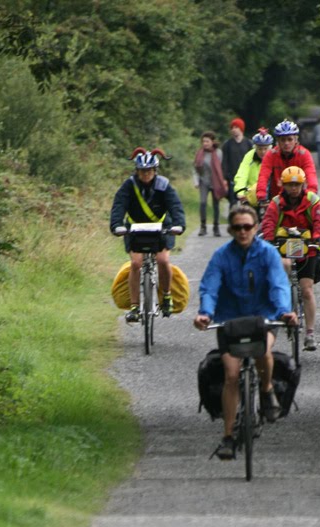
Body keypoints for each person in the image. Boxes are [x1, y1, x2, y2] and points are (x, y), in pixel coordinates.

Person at [194, 204, 297, 459]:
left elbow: (278, 284)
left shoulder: (268, 254)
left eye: (247, 227)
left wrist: (284, 310)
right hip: (229, 320)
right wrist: (205, 313)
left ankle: (266, 389)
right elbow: (210, 287)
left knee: (263, 349)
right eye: (238, 227)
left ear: (256, 227)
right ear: (231, 229)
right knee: (231, 375)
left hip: (264, 316)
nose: (243, 232)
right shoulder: (221, 256)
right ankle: (227, 437)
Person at [110, 147, 186, 323]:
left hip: (161, 228)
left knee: (163, 260)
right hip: (136, 228)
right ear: (137, 171)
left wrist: (179, 225)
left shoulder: (164, 185)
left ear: (155, 170)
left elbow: (175, 206)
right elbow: (119, 206)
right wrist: (116, 225)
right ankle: (135, 307)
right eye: (142, 171)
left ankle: (166, 296)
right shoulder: (129, 186)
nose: (146, 174)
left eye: (149, 171)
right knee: (136, 263)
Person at [260, 165, 320, 352]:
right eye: (290, 184)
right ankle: (284, 303)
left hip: (308, 249)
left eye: (297, 184)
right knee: (284, 266)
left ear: (303, 184)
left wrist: (317, 237)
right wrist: (268, 238)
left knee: (307, 290)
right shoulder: (276, 202)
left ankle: (310, 333)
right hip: (283, 247)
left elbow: (319, 221)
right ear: (283, 184)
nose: (293, 188)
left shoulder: (312, 200)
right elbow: (268, 222)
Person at [256, 119, 318, 201]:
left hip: (299, 199)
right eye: (283, 140)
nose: (286, 143)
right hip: (277, 199)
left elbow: (311, 174)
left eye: (290, 139)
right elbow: (263, 175)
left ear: (296, 140)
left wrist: (311, 192)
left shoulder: (304, 154)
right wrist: (261, 195)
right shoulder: (271, 155)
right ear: (278, 141)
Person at [193, 131, 226, 236]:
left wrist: (223, 181)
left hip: (215, 182)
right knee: (203, 203)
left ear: (212, 142)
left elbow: (221, 168)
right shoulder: (200, 153)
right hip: (204, 181)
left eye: (207, 141)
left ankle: (216, 227)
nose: (205, 144)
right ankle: (203, 227)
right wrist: (196, 181)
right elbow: (195, 168)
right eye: (203, 141)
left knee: (215, 205)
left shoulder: (218, 153)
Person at [232, 128, 273, 206]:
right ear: (255, 147)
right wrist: (240, 191)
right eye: (259, 149)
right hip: (251, 194)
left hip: (269, 195)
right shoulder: (249, 156)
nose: (263, 152)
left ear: (270, 148)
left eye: (265, 148)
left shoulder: (274, 156)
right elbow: (242, 174)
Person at [221, 117, 253, 206]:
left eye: (236, 127)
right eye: (232, 128)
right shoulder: (227, 144)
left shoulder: (249, 143)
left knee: (246, 202)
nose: (234, 130)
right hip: (232, 178)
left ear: (241, 129)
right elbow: (224, 162)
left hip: (246, 178)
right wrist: (224, 178)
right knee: (233, 202)